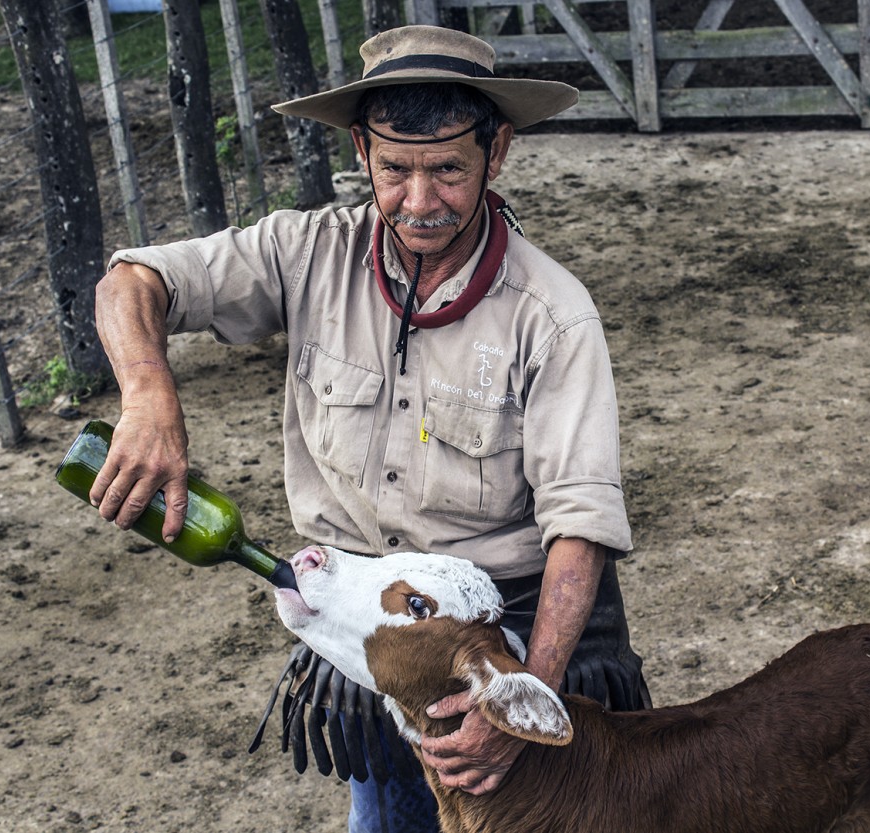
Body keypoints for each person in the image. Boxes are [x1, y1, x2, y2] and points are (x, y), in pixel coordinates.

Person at [90, 24, 649, 833]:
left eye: (449, 170)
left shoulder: (554, 317)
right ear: (362, 151)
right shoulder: (303, 250)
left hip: (508, 630)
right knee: (387, 817)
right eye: (395, 170)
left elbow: (580, 529)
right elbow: (134, 278)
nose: (419, 204)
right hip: (362, 616)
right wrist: (147, 396)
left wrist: (520, 705)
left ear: (498, 154)